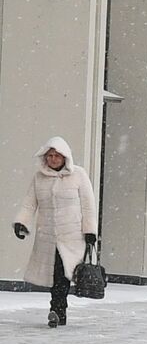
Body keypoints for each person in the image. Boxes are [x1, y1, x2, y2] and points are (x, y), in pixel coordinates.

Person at [13, 137, 98, 328]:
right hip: (47, 236)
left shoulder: (79, 175)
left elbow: (88, 206)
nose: (53, 159)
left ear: (64, 157)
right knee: (54, 273)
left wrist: (90, 231)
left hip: (72, 235)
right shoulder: (39, 178)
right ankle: (59, 310)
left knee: (63, 272)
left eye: (56, 156)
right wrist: (22, 222)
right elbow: (29, 203)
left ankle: (57, 309)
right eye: (50, 155)